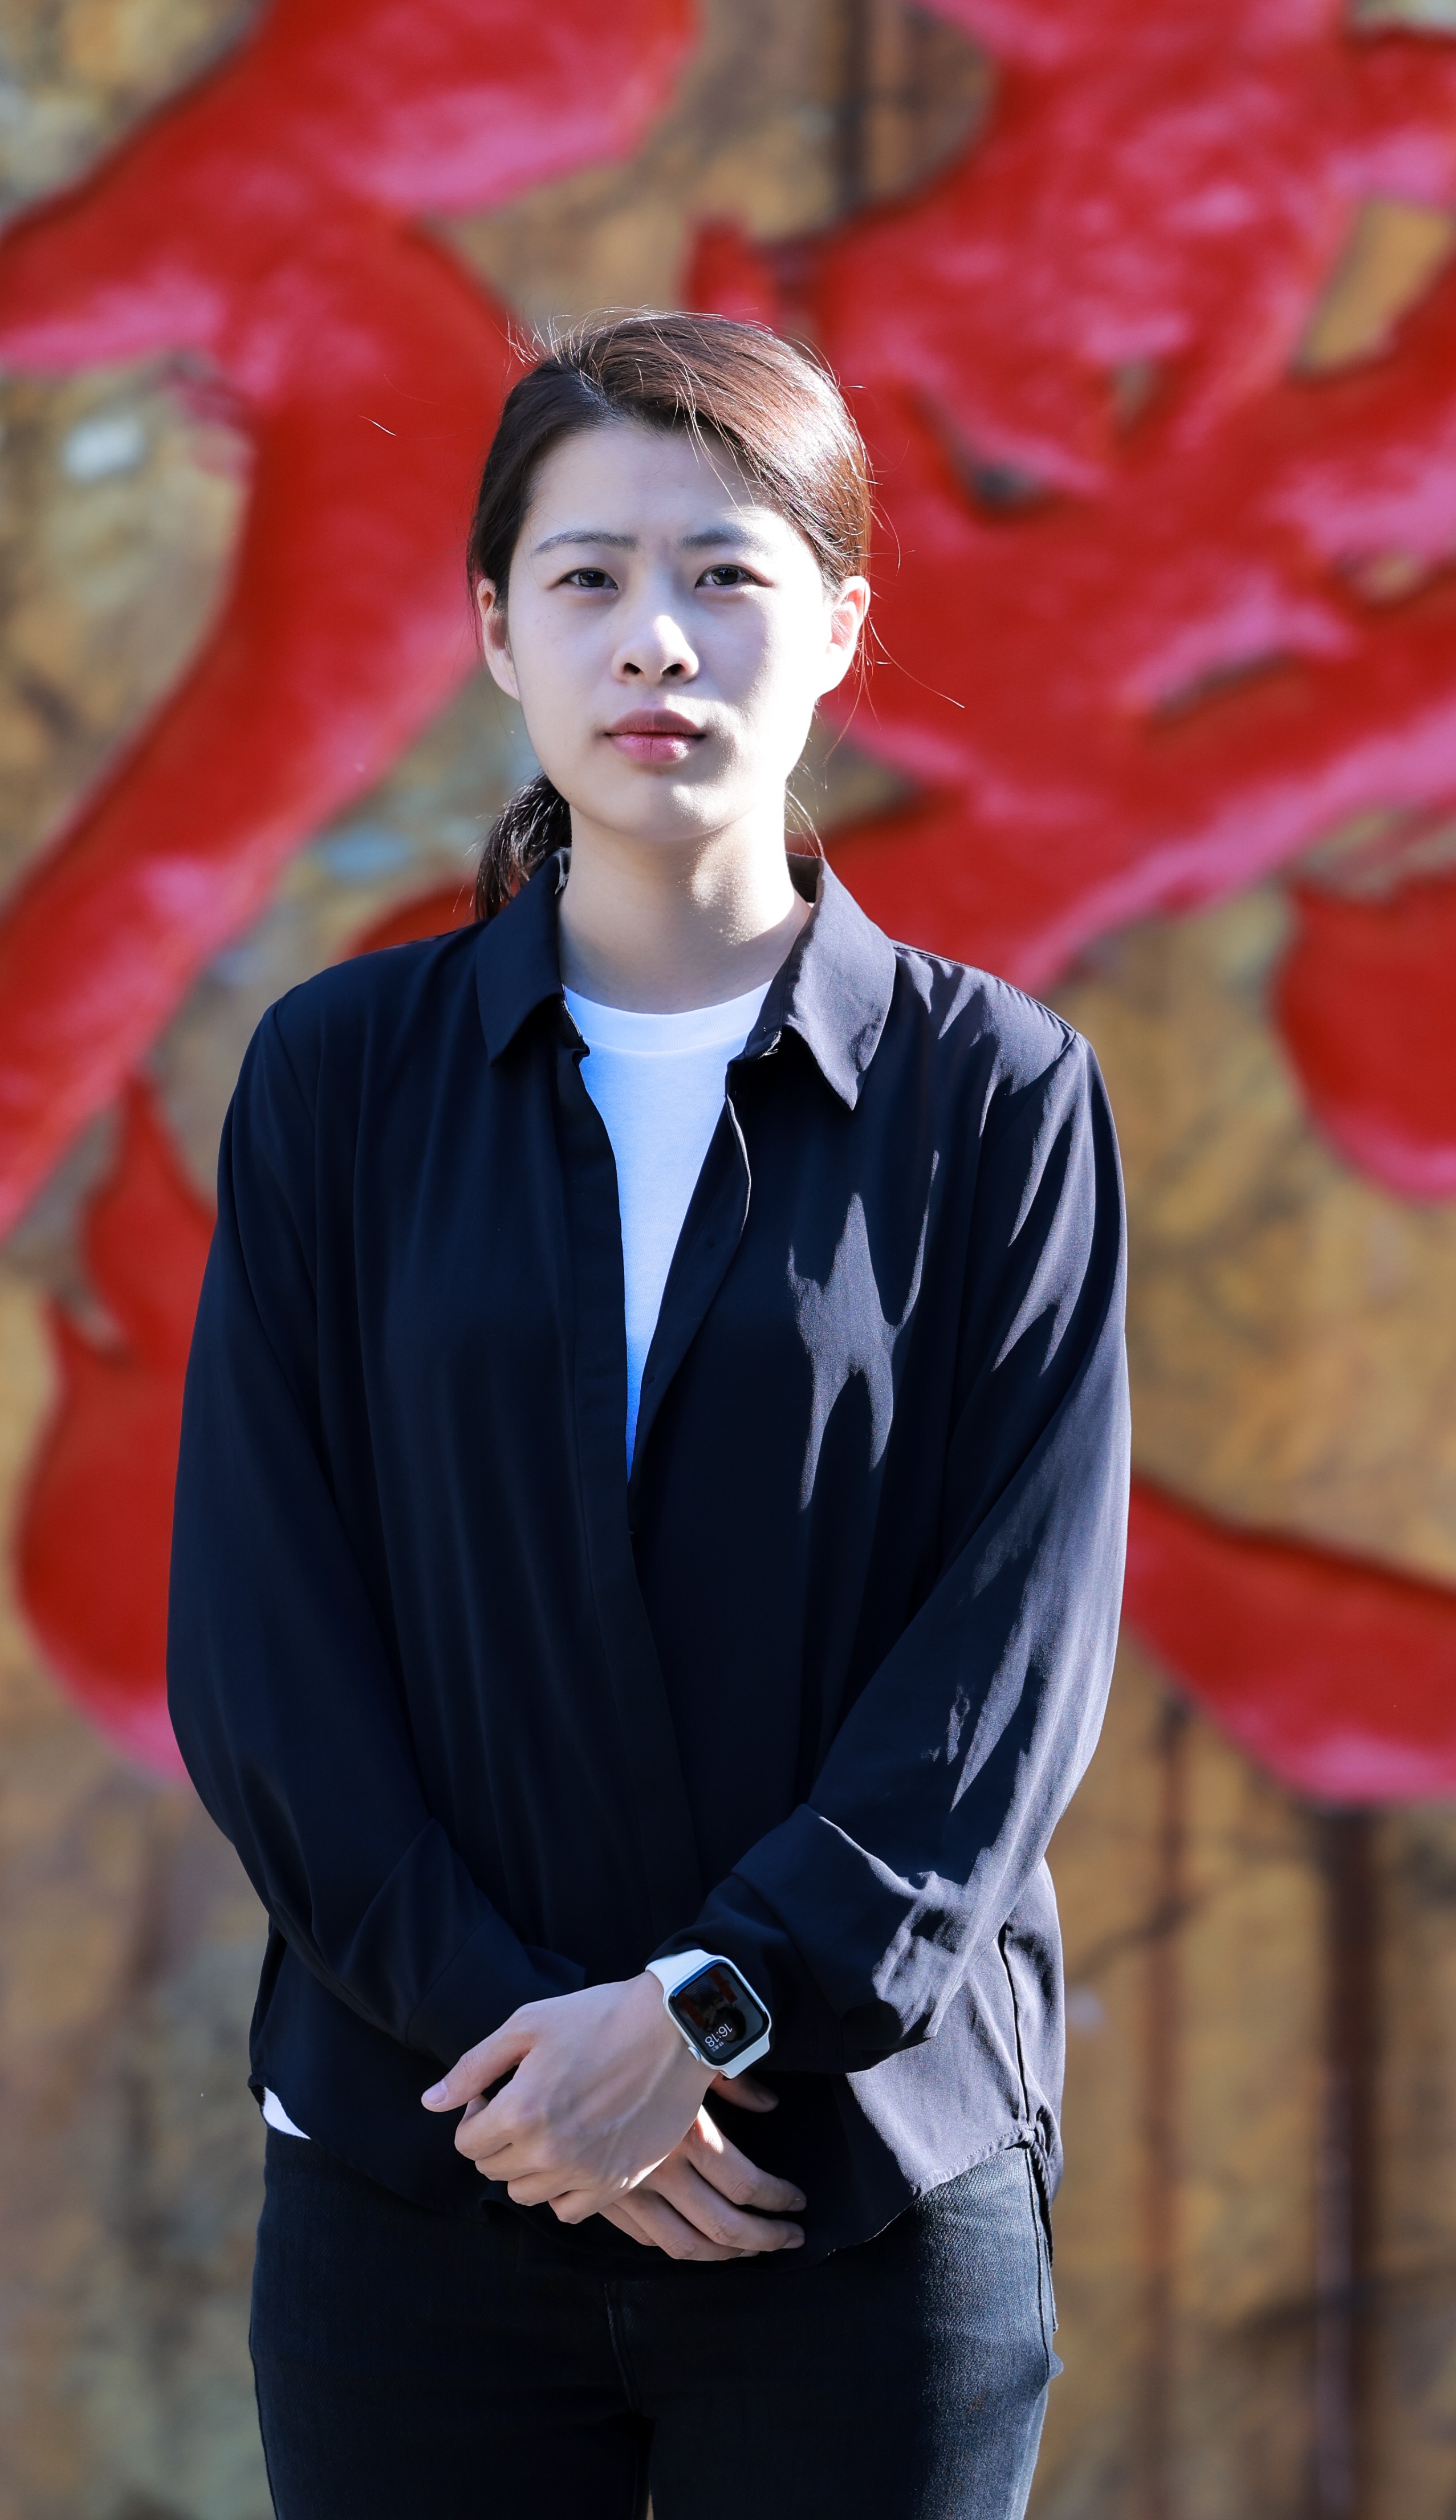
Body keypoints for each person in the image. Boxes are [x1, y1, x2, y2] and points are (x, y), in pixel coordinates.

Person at [167, 311, 1130, 2520]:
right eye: (587, 576)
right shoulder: (342, 1081)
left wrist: (707, 2012)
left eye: (724, 573)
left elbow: (1006, 1672)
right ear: (494, 629)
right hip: (428, 2164)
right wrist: (523, 2053)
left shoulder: (996, 1098)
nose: (655, 640)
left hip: (852, 2187)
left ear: (841, 626)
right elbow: (264, 1642)